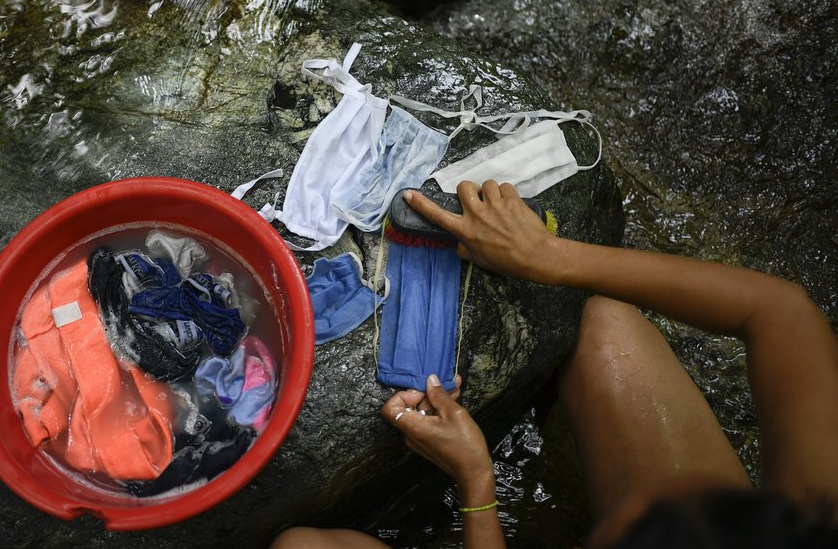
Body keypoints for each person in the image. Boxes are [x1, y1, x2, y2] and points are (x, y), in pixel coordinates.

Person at [271, 181, 838, 548]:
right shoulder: (816, 515)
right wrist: (550, 258)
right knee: (605, 326)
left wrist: (478, 484)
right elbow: (781, 311)